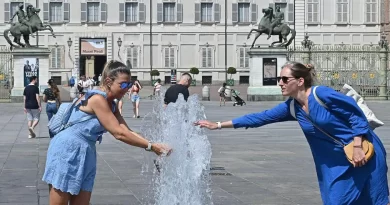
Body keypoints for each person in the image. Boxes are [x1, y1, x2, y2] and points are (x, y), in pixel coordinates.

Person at [195, 61, 390, 205]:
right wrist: (217, 125)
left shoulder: (321, 94)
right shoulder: (293, 107)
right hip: (338, 164)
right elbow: (259, 118)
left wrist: (357, 146)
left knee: (374, 200)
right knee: (337, 201)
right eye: (279, 79)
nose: (279, 82)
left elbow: (356, 116)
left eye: (284, 79)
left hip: (365, 153)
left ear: (300, 81)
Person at [42, 60, 171, 205]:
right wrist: (151, 147)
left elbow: (126, 130)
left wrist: (154, 145)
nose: (127, 89)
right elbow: (118, 133)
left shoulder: (112, 104)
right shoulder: (97, 99)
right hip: (67, 149)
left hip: (86, 151)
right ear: (109, 81)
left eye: (129, 85)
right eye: (123, 84)